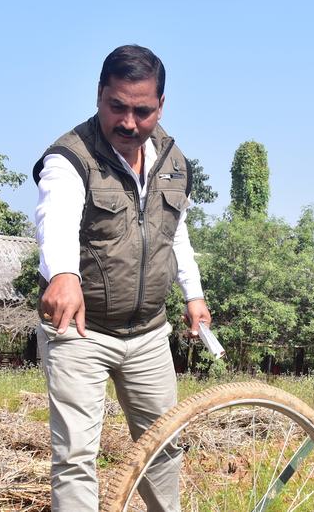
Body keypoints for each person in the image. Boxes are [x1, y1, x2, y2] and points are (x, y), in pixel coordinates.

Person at [32, 44, 211, 511]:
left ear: (160, 106)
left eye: (142, 110)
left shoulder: (173, 161)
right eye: (117, 107)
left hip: (150, 333)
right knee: (75, 458)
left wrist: (193, 294)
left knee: (164, 448)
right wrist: (64, 274)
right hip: (80, 331)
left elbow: (176, 231)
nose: (128, 122)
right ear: (98, 95)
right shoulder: (69, 158)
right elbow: (57, 220)